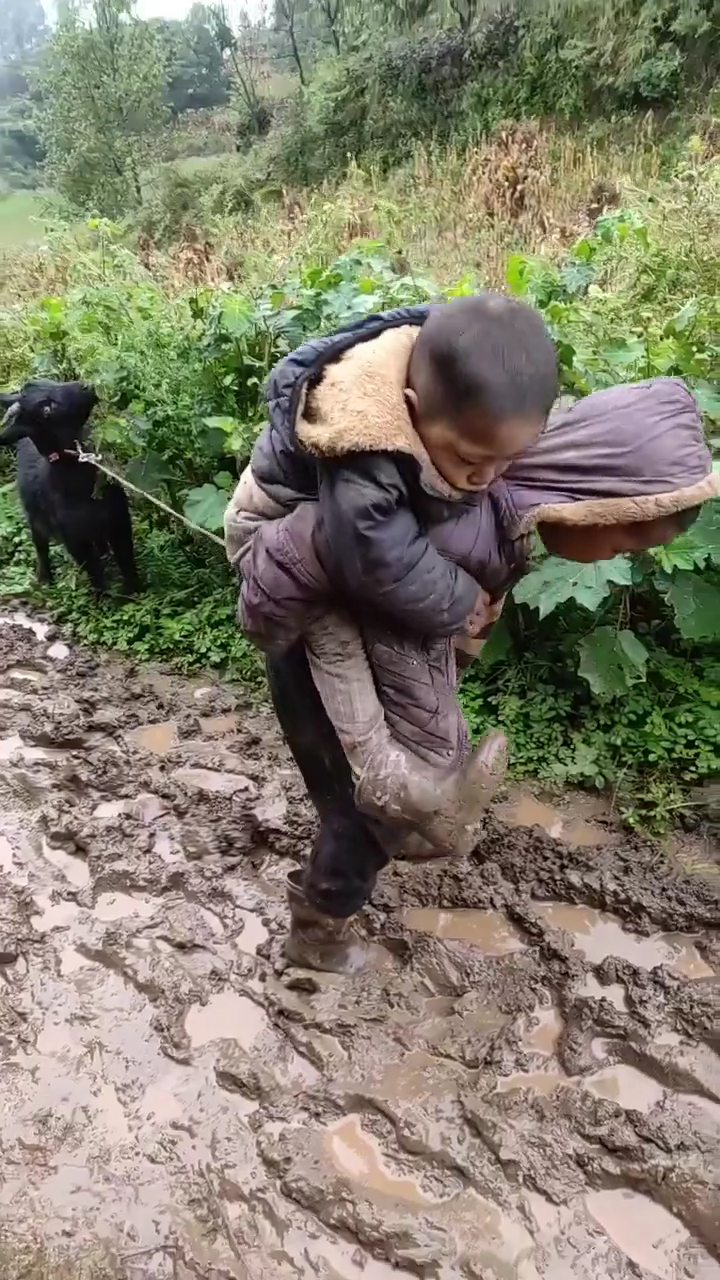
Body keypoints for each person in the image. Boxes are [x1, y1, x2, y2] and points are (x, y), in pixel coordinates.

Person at [226, 300, 718, 974]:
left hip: (375, 615)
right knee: (361, 803)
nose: (620, 553)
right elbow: (304, 550)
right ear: (607, 496)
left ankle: (419, 799)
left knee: (401, 773)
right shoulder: (416, 489)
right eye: (631, 533)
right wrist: (274, 615)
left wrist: (451, 632)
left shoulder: (483, 475)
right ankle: (319, 934)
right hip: (303, 611)